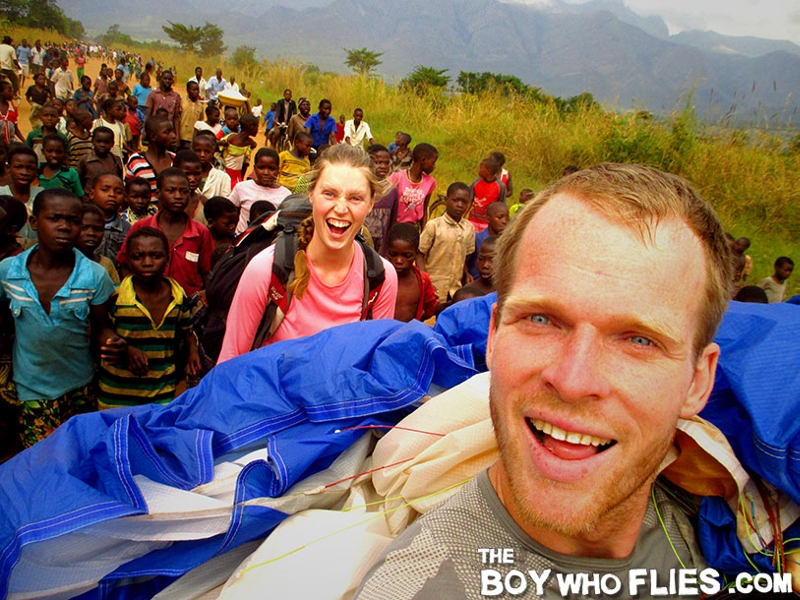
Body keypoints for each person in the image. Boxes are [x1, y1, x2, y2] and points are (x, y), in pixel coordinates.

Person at [357, 163, 732, 599]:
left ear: (698, 381)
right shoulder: (416, 587)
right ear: (493, 337)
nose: (572, 380)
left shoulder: (726, 520)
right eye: (541, 319)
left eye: (639, 340)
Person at [218, 144, 398, 362]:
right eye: (329, 194)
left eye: (355, 198)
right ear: (311, 195)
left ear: (370, 204)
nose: (341, 208)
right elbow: (230, 362)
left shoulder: (380, 278)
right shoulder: (267, 269)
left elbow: (374, 364)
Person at [0, 189, 124, 448]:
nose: (65, 227)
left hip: (80, 386)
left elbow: (101, 328)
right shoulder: (8, 272)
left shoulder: (94, 275)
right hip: (30, 388)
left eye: (73, 221)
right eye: (54, 218)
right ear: (35, 222)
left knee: (79, 453)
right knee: (41, 458)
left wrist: (113, 342)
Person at [97, 226, 200, 409]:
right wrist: (125, 350)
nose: (147, 262)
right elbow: (100, 332)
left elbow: (187, 330)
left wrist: (192, 352)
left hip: (161, 394)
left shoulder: (177, 296)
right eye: (138, 256)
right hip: (117, 397)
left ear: (167, 259)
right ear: (128, 261)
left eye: (155, 256)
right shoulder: (117, 297)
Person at [117, 168, 213, 297]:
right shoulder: (141, 227)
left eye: (184, 192)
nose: (178, 196)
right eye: (171, 191)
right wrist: (130, 295)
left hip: (188, 303)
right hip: (144, 301)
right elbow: (124, 263)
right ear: (158, 194)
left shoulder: (200, 232)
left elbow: (206, 272)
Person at [417, 181, 475, 302]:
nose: (460, 205)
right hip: (434, 285)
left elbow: (464, 256)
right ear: (446, 200)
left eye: (464, 202)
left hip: (455, 288)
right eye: (455, 200)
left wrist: (466, 273)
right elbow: (419, 253)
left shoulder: (469, 228)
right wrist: (425, 280)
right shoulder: (434, 226)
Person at [228, 147, 291, 234]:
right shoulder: (241, 188)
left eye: (271, 169)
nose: (266, 172)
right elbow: (231, 213)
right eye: (261, 168)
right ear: (254, 168)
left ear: (278, 170)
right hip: (242, 238)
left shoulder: (285, 195)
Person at [387, 223, 437, 322]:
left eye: (407, 256)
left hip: (409, 330)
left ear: (416, 254)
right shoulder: (378, 276)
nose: (399, 261)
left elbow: (430, 308)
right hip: (381, 330)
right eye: (393, 254)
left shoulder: (422, 280)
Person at [126, 115, 177, 199]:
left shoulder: (175, 159)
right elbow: (127, 190)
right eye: (167, 132)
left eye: (173, 131)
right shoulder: (136, 160)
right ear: (153, 137)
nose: (173, 136)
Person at [389, 142, 438, 228]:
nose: (434, 166)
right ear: (423, 160)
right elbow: (388, 205)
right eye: (433, 163)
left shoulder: (430, 182)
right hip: (394, 226)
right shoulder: (397, 177)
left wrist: (423, 233)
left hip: (413, 227)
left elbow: (424, 209)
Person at [86, 172, 129, 263]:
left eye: (118, 192)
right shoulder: (80, 223)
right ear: (92, 194)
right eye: (105, 190)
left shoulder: (126, 228)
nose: (112, 195)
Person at [364, 144, 398, 257]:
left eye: (386, 163)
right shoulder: (361, 188)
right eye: (378, 162)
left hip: (381, 252)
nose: (383, 166)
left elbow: (392, 223)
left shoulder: (392, 191)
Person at [77, 203, 120, 285]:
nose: (91, 233)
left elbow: (115, 290)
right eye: (84, 228)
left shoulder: (106, 264)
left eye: (97, 229)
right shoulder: (64, 264)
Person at [468, 202, 508, 279]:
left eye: (507, 218)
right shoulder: (477, 239)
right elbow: (464, 261)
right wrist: (467, 274)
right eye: (500, 217)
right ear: (488, 219)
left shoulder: (506, 242)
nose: (504, 221)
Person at [469, 156, 506, 233]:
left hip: (487, 223)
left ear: (488, 171)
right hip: (473, 220)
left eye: (481, 168)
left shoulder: (500, 186)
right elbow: (470, 201)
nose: (479, 170)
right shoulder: (476, 182)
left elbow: (501, 205)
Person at [220, 114, 258, 187]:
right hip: (226, 176)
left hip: (236, 177)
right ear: (252, 127)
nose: (257, 130)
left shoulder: (248, 143)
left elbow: (245, 163)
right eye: (257, 127)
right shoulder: (232, 139)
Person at [192, 130, 231, 199]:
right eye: (198, 151)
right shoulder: (184, 175)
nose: (202, 155)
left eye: (207, 152)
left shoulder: (223, 177)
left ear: (213, 153)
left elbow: (225, 201)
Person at [146, 70, 181, 137]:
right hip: (154, 130)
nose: (167, 81)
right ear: (160, 79)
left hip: (168, 132)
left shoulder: (176, 96)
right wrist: (145, 131)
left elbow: (176, 118)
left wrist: (177, 136)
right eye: (165, 79)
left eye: (169, 79)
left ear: (172, 81)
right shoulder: (153, 94)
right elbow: (148, 114)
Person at [180, 81, 204, 149]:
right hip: (182, 136)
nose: (196, 92)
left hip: (193, 137)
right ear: (187, 90)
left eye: (197, 90)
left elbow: (200, 121)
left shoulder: (200, 106)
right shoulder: (181, 102)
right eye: (193, 90)